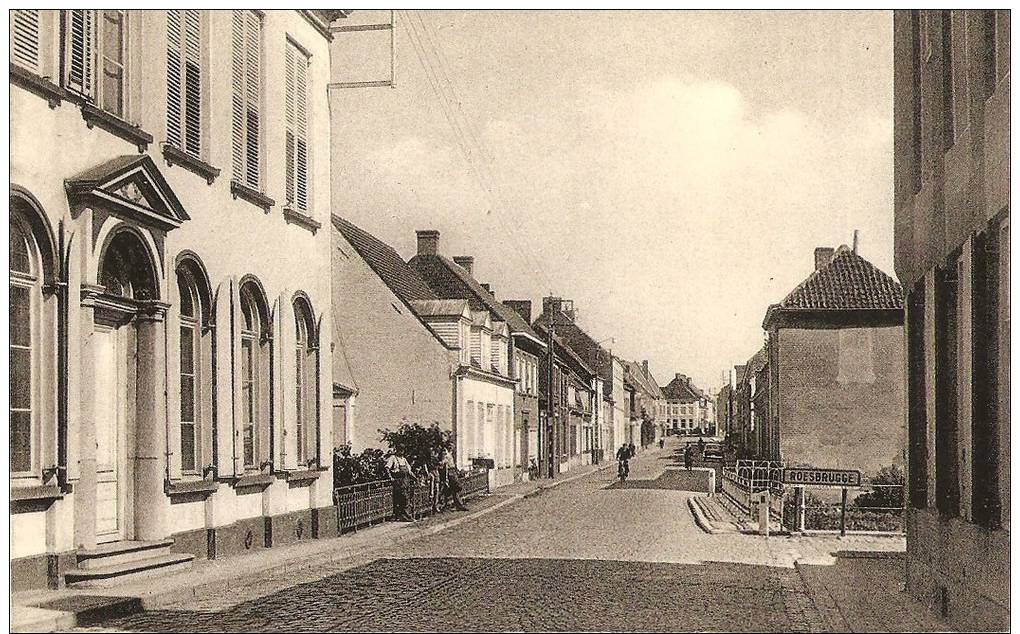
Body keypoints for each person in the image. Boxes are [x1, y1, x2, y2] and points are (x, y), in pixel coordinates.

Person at [386, 450, 415, 521]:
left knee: (406, 497)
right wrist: (391, 478)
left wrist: (415, 478)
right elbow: (387, 468)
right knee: (401, 498)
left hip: (405, 481)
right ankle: (403, 515)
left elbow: (409, 471)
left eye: (402, 450)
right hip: (398, 481)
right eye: (400, 450)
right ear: (397, 450)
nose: (402, 452)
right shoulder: (393, 458)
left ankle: (402, 515)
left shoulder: (404, 459)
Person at [439, 447, 468, 511]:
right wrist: (446, 477)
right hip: (449, 473)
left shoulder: (450, 454)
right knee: (453, 488)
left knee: (453, 490)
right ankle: (457, 505)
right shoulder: (446, 455)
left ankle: (457, 505)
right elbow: (444, 465)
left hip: (452, 472)